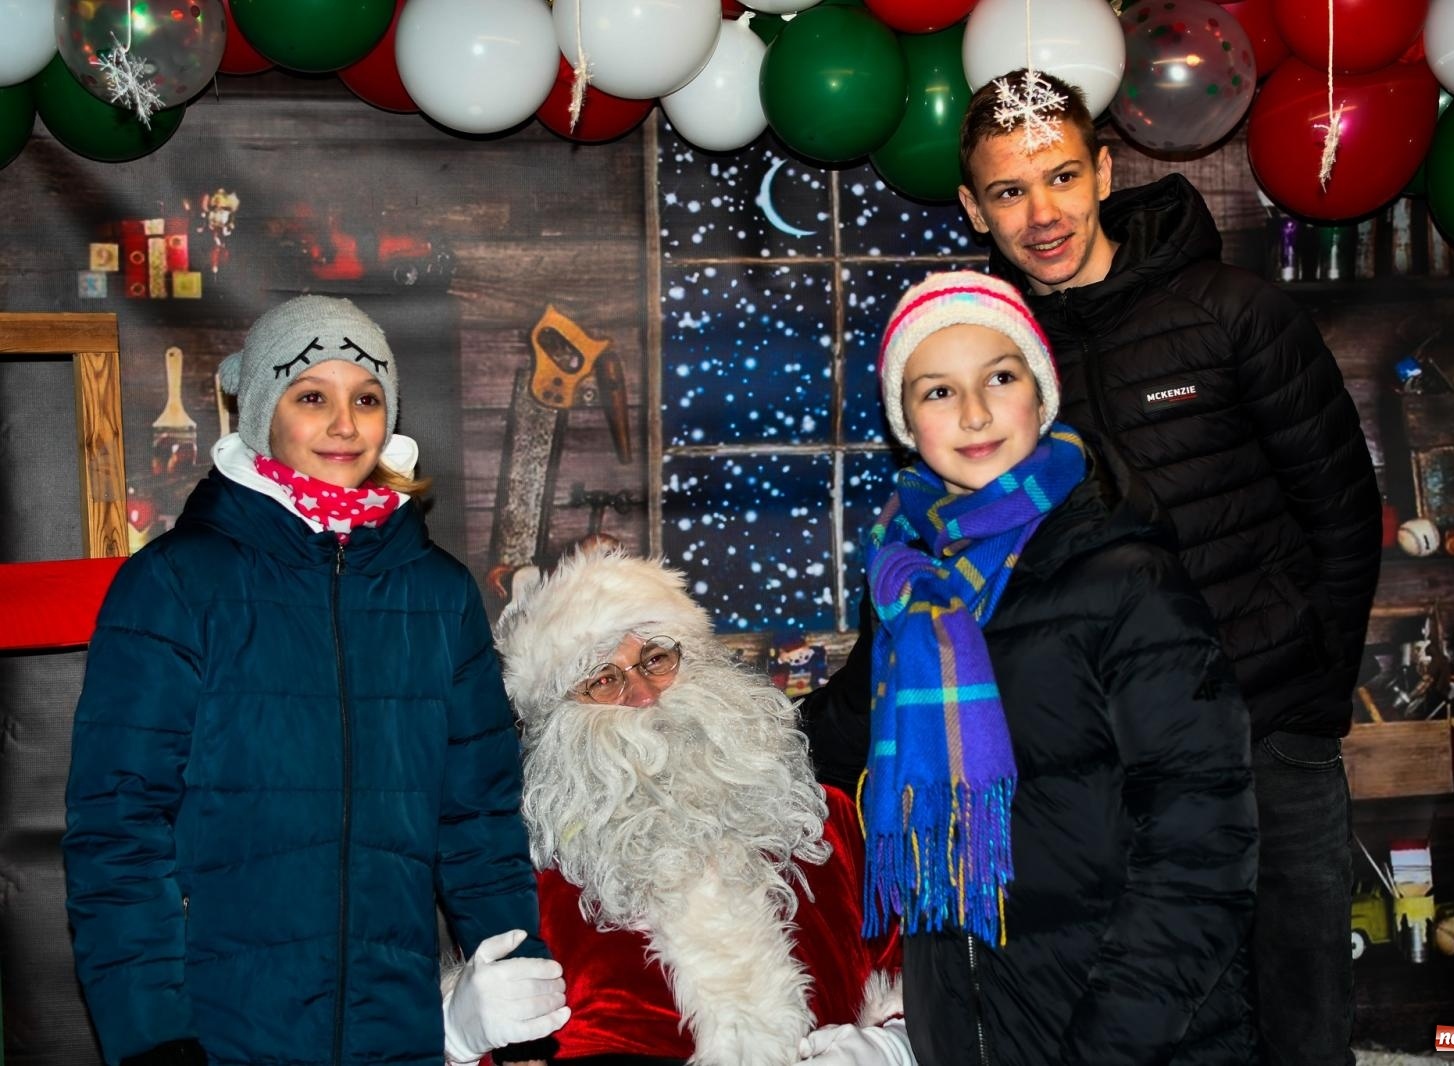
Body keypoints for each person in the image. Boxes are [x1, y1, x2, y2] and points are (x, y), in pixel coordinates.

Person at [942, 69, 1378, 1066]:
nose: (1040, 212)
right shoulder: (985, 365)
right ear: (973, 208)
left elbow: (1344, 511)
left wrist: (1306, 694)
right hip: (1109, 774)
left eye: (1059, 176)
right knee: (1160, 1034)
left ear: (1102, 169)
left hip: (1269, 738)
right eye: (1007, 190)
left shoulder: (1234, 312)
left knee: (1301, 1023)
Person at [62, 295, 569, 1066]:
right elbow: (120, 832)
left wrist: (521, 993)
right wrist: (152, 1036)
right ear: (263, 412)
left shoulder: (437, 593)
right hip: (219, 1030)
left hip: (393, 1029)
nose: (344, 424)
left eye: (366, 398)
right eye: (311, 397)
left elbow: (478, 820)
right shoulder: (174, 584)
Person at [806, 270, 1258, 1065]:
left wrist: (1109, 1049)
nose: (974, 414)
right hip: (971, 1034)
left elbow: (1202, 843)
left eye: (1000, 378)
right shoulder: (912, 590)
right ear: (905, 422)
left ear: (1041, 397)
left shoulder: (1126, 580)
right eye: (938, 391)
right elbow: (825, 736)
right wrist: (669, 699)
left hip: (1132, 1041)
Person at [491, 543, 915, 1066]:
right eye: (604, 680)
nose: (644, 695)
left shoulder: (823, 825)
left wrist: (891, 1045)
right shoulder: (534, 886)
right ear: (558, 718)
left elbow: (907, 976)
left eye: (656, 659)